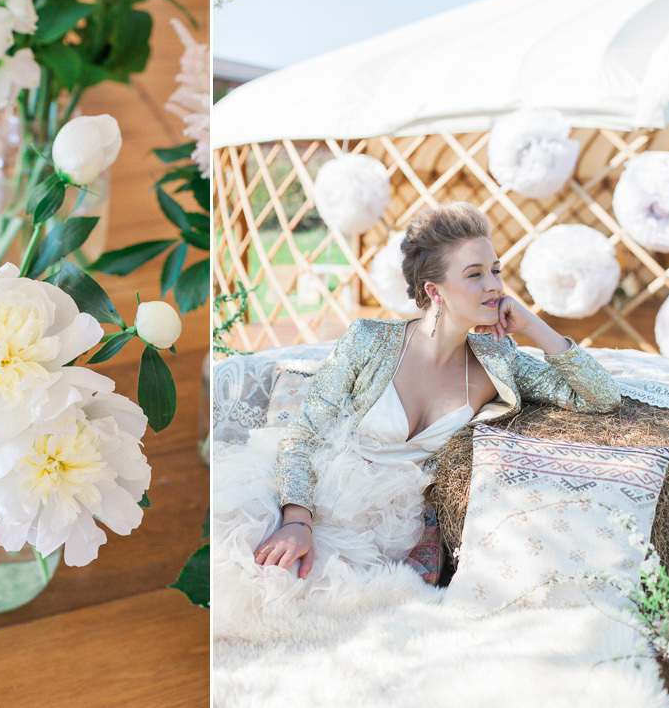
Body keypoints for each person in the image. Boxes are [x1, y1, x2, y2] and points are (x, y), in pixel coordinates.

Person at [214, 202, 621, 610]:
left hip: (395, 524)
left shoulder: (497, 359)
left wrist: (535, 327)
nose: (494, 285)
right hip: (310, 496)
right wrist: (296, 522)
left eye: (495, 270)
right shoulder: (369, 340)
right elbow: (303, 435)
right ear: (434, 290)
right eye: (475, 274)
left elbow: (602, 399)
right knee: (255, 588)